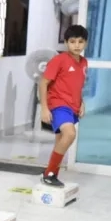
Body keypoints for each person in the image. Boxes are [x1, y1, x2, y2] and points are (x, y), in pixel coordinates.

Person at [40, 25, 89, 187]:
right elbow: (43, 83)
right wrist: (45, 108)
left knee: (61, 139)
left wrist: (81, 102)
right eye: (73, 41)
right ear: (66, 43)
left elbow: (77, 85)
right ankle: (50, 173)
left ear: (85, 43)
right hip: (58, 104)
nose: (77, 45)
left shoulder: (84, 63)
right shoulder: (59, 60)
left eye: (80, 42)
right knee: (70, 134)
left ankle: (51, 173)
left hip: (73, 106)